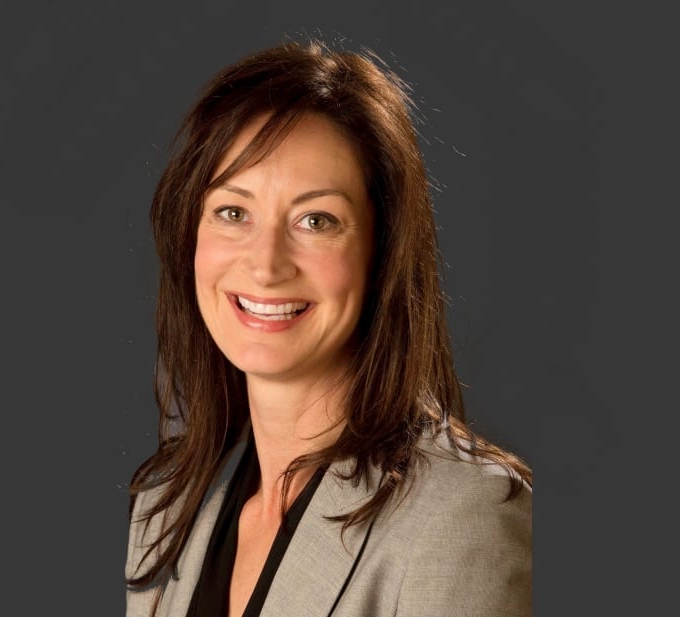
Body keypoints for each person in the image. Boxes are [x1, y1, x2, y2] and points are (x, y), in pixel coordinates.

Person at [124, 38, 532, 617]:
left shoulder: (465, 519)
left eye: (316, 220)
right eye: (233, 211)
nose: (266, 265)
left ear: (382, 253)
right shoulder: (165, 507)